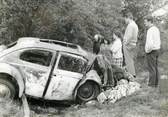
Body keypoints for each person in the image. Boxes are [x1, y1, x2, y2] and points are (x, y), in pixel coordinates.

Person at [144, 16, 161, 87]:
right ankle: (155, 84)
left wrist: (147, 51)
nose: (144, 23)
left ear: (149, 21)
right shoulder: (156, 29)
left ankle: (151, 85)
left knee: (151, 69)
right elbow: (159, 41)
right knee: (155, 68)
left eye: (145, 21)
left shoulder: (150, 30)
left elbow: (150, 44)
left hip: (152, 51)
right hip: (157, 50)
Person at [123, 12, 139, 77]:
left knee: (128, 60)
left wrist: (125, 43)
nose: (125, 21)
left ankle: (131, 75)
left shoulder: (130, 25)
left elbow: (129, 36)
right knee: (130, 59)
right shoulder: (135, 25)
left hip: (128, 44)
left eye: (125, 19)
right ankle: (133, 74)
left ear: (128, 18)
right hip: (133, 44)